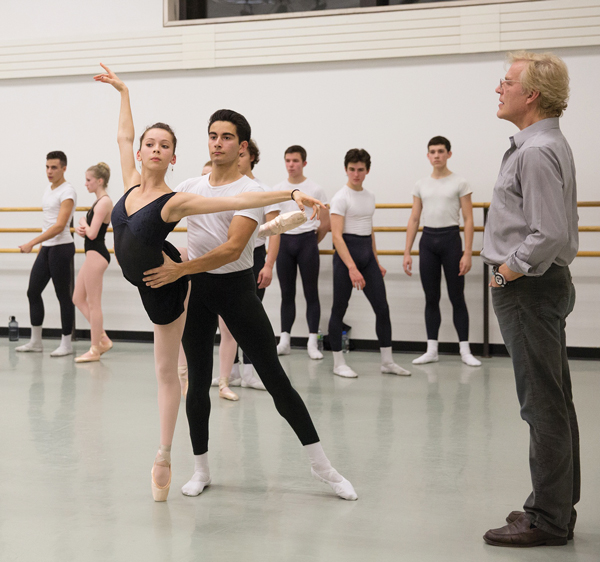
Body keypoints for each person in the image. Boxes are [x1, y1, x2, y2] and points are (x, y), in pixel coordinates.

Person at [95, 64, 324, 502]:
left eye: (165, 145)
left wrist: (289, 193)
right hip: (173, 280)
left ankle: (167, 457)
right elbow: (123, 137)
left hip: (187, 286)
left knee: (198, 376)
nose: (155, 149)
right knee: (187, 378)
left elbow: (240, 201)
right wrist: (123, 91)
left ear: (174, 156)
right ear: (142, 152)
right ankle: (196, 464)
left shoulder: (176, 198)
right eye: (150, 144)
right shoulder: (134, 184)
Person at [142, 109, 357, 501]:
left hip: (237, 290)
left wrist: (180, 269)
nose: (217, 143)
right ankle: (201, 469)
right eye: (212, 135)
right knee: (197, 383)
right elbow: (152, 219)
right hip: (198, 291)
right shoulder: (191, 185)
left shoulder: (250, 192)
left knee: (276, 379)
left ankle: (322, 466)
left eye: (226, 137)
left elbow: (231, 249)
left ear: (242, 146)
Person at [480, 51, 579, 547]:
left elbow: (548, 234)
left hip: (528, 289)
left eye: (507, 81)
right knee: (553, 400)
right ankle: (556, 507)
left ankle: (548, 518)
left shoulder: (536, 151)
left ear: (532, 94)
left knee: (541, 405)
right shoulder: (541, 143)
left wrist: (504, 272)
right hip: (538, 288)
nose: (499, 88)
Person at [328, 149, 411, 378]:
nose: (356, 174)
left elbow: (369, 228)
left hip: (366, 256)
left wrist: (376, 260)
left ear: (367, 170)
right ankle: (338, 363)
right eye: (352, 169)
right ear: (346, 169)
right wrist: (352, 268)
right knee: (339, 308)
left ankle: (387, 361)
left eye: (360, 170)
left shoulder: (369, 196)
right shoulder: (340, 197)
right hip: (346, 258)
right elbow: (336, 236)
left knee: (382, 308)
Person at [212, 139, 282, 398]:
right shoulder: (228, 187)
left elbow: (275, 230)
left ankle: (250, 371)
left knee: (248, 318)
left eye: (242, 155)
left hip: (254, 254)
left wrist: (269, 264)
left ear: (251, 157)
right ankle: (229, 371)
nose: (237, 158)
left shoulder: (262, 189)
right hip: (229, 254)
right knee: (226, 320)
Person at [403, 136, 481, 367]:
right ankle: (432, 349)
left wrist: (467, 252)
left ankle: (465, 349)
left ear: (449, 154)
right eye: (432, 152)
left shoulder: (460, 183)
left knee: (457, 296)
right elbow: (415, 217)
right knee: (431, 297)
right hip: (428, 241)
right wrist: (407, 251)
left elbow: (468, 219)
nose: (436, 155)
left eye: (440, 151)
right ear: (428, 156)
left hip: (450, 241)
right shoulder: (421, 184)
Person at [16, 151, 77, 357]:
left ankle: (66, 344)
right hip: (47, 248)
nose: (49, 171)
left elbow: (60, 225)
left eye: (54, 167)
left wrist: (32, 242)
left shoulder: (67, 191)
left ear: (63, 168)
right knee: (33, 291)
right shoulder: (49, 189)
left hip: (61, 248)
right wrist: (40, 249)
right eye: (47, 167)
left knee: (63, 296)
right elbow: (48, 223)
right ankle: (36, 341)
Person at [273, 145, 330, 360]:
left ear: (304, 163)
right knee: (287, 293)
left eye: (295, 161)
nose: (291, 165)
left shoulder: (315, 189)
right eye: (287, 160)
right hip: (284, 243)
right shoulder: (279, 189)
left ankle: (312, 342)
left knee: (310, 292)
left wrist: (311, 241)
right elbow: (274, 221)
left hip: (307, 241)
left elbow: (325, 223)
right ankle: (285, 340)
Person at [72, 162, 114, 363]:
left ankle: (95, 348)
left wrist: (82, 223)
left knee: (93, 303)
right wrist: (84, 228)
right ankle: (103, 338)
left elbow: (93, 232)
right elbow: (90, 232)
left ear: (99, 181)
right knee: (77, 298)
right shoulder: (99, 202)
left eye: (88, 180)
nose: (86, 184)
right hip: (93, 253)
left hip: (97, 255)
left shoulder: (104, 202)